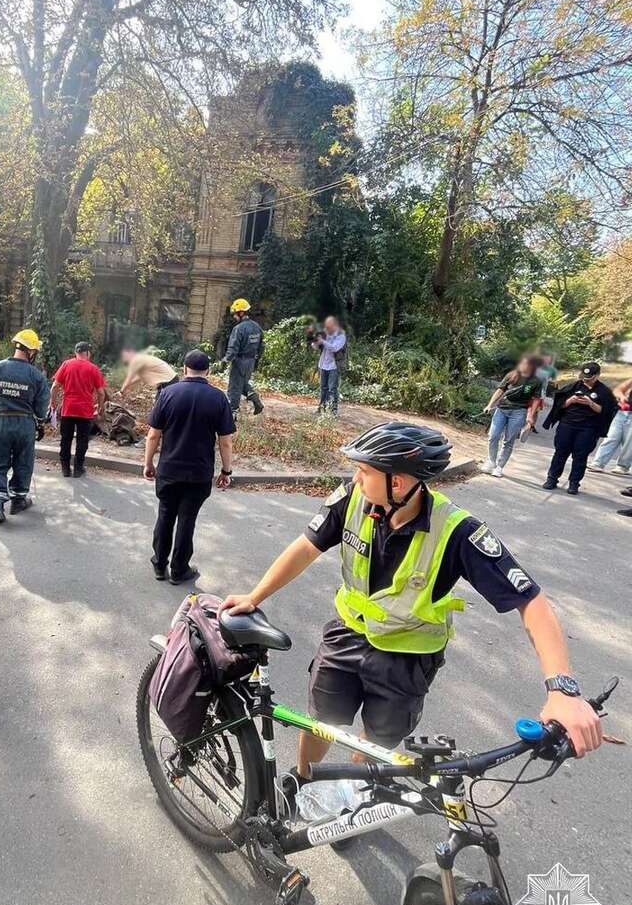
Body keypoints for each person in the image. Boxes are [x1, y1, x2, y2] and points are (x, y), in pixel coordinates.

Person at [221, 421, 602, 800]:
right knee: (320, 722)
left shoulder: (457, 531)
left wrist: (562, 690)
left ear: (398, 483)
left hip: (407, 661)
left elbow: (530, 601)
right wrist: (255, 596)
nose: (355, 478)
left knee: (376, 741)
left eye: (364, 471)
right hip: (346, 636)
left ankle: (354, 794)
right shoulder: (352, 499)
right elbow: (307, 546)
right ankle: (302, 783)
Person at [144, 349, 235, 584]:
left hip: (169, 470)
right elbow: (225, 441)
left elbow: (153, 434)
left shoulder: (167, 394)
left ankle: (159, 565)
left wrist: (148, 463)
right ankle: (179, 570)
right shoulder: (218, 398)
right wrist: (226, 471)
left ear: (184, 369)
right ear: (208, 371)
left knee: (165, 515)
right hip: (199, 473)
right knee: (187, 520)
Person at [0, 329, 51, 525]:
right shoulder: (36, 376)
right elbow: (42, 405)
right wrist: (40, 423)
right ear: (31, 351)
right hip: (25, 425)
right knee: (23, 462)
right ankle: (18, 500)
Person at [542, 361, 617, 494]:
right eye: (584, 377)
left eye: (589, 378)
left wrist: (590, 403)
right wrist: (570, 400)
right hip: (567, 424)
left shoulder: (604, 392)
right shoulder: (573, 386)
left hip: (588, 428)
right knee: (560, 452)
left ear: (597, 376)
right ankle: (552, 479)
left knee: (580, 456)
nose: (585, 380)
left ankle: (574, 483)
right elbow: (559, 405)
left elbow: (606, 411)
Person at [480, 355, 543, 477]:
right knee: (493, 436)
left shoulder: (536, 381)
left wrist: (531, 416)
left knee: (508, 440)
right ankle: (491, 462)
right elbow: (500, 390)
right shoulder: (511, 375)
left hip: (519, 412)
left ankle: (499, 467)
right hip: (502, 409)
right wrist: (489, 405)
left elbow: (536, 399)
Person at [51, 342, 107, 477]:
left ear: (76, 353)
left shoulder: (66, 364)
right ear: (87, 353)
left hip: (68, 409)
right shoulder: (93, 368)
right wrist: (100, 407)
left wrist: (53, 403)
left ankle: (65, 469)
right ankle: (78, 468)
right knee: (82, 440)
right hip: (85, 411)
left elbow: (54, 387)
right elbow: (101, 393)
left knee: (66, 439)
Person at [223, 297, 264, 416]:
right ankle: (255, 400)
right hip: (251, 361)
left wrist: (225, 360)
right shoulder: (257, 327)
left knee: (234, 387)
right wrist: (256, 361)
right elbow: (261, 346)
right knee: (242, 383)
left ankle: (232, 414)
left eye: (235, 314)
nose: (234, 317)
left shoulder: (238, 329)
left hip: (240, 361)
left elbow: (233, 348)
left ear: (241, 313)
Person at [587, 375, 632, 475]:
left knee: (629, 443)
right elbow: (618, 390)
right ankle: (598, 463)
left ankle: (623, 466)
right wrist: (622, 397)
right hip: (622, 412)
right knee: (611, 437)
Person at [312, 316, 347, 415]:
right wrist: (315, 342)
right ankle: (321, 408)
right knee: (323, 388)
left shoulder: (341, 336)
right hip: (323, 364)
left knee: (332, 389)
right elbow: (315, 347)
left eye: (329, 326)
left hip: (334, 366)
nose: (326, 328)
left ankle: (333, 411)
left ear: (334, 325)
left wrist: (323, 341)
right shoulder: (325, 334)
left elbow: (335, 348)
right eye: (326, 326)